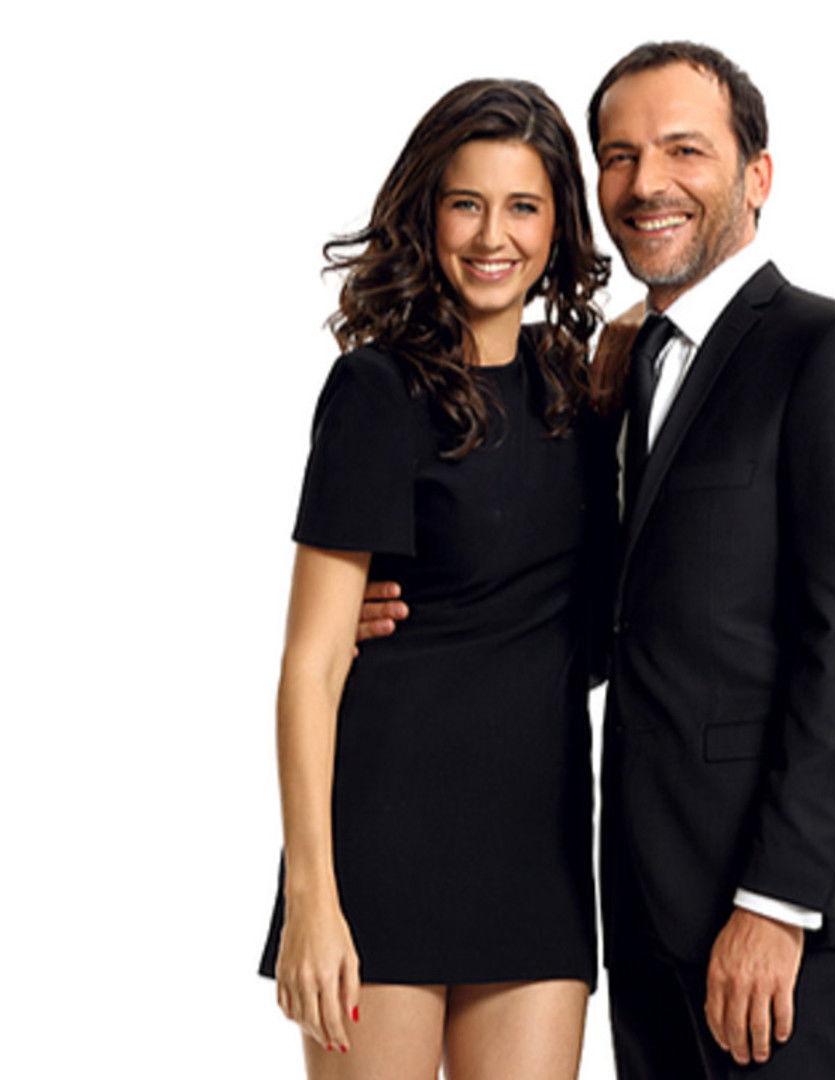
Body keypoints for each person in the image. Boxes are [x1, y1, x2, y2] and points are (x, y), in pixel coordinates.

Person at [359, 43, 835, 1080]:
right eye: (619, 156)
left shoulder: (832, 352)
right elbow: (611, 616)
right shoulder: (613, 376)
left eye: (683, 150)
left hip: (774, 924)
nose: (647, 182)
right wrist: (416, 616)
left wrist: (778, 905)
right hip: (639, 909)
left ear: (758, 174)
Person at [259, 78, 613, 1080]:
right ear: (428, 214)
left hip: (539, 850)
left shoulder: (580, 386)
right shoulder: (376, 391)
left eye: (523, 206)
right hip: (385, 846)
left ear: (558, 224)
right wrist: (312, 900)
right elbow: (310, 667)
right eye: (467, 203)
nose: (493, 236)